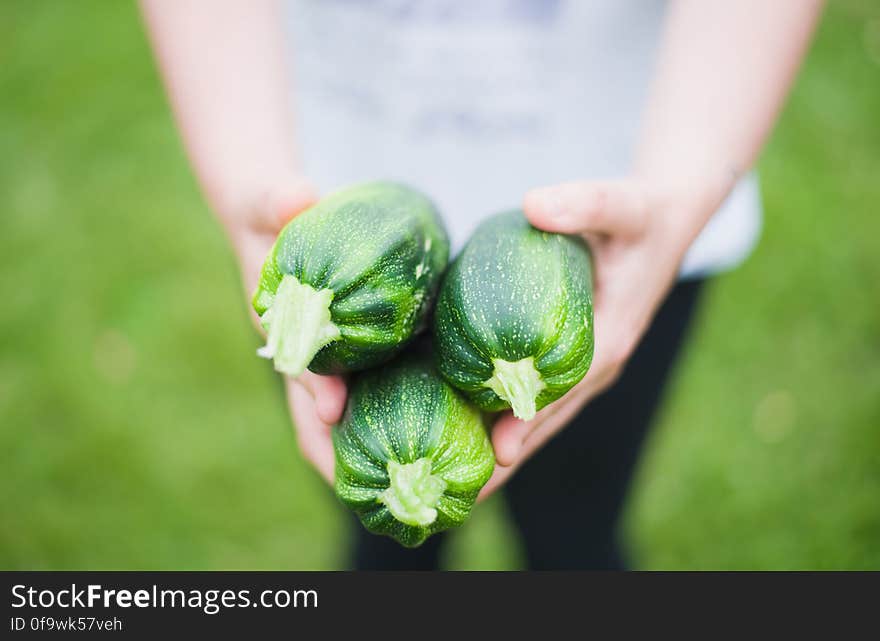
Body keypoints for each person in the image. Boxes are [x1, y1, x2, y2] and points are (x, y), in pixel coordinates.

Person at [141, 0, 823, 569]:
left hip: (635, 200)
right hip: (331, 200)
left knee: (576, 528)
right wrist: (244, 177)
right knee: (386, 543)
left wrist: (681, 196)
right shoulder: (311, 276)